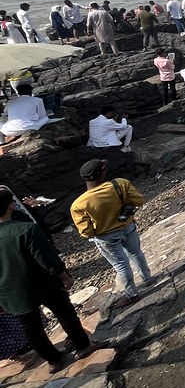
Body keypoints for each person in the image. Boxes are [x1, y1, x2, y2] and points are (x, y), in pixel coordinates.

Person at [0, 188, 101, 373]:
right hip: (42, 283)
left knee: (30, 328)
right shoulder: (25, 229)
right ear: (11, 206)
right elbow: (47, 258)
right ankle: (83, 346)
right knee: (64, 312)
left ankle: (54, 360)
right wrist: (64, 276)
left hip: (10, 291)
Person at [72, 160, 152, 305]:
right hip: (127, 227)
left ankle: (132, 294)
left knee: (121, 264)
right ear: (102, 172)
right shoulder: (120, 184)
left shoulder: (79, 204)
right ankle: (148, 279)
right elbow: (139, 200)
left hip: (106, 237)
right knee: (136, 253)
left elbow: (86, 232)